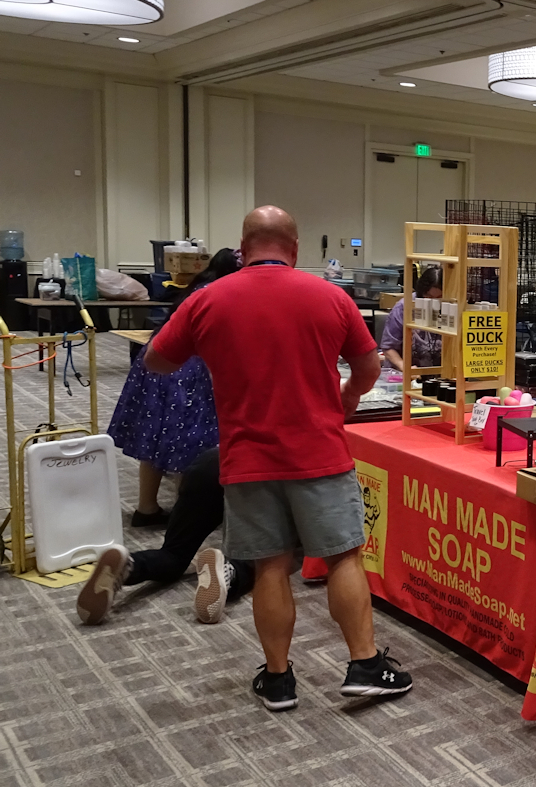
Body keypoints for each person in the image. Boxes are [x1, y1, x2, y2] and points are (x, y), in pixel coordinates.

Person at [144, 206, 410, 712]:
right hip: (320, 453)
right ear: (295, 248)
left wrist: (213, 350)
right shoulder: (331, 296)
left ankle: (279, 679)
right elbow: (369, 366)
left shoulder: (207, 299)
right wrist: (348, 395)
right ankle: (364, 665)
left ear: (242, 249)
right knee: (343, 557)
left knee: (269, 566)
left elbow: (157, 359)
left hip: (247, 457)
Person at [106, 249, 240, 526]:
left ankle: (146, 508)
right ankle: (187, 515)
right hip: (187, 370)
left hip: (157, 364)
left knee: (155, 436)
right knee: (190, 441)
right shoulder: (222, 294)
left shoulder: (198, 288)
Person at [76, 448, 256, 626]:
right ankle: (230, 570)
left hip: (209, 464)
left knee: (174, 554)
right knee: (261, 559)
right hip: (256, 473)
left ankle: (130, 565)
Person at [379, 266, 443, 370]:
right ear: (421, 292)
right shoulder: (404, 307)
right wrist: (405, 367)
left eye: (439, 298)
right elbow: (388, 347)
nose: (433, 303)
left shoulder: (451, 306)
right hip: (405, 371)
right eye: (429, 297)